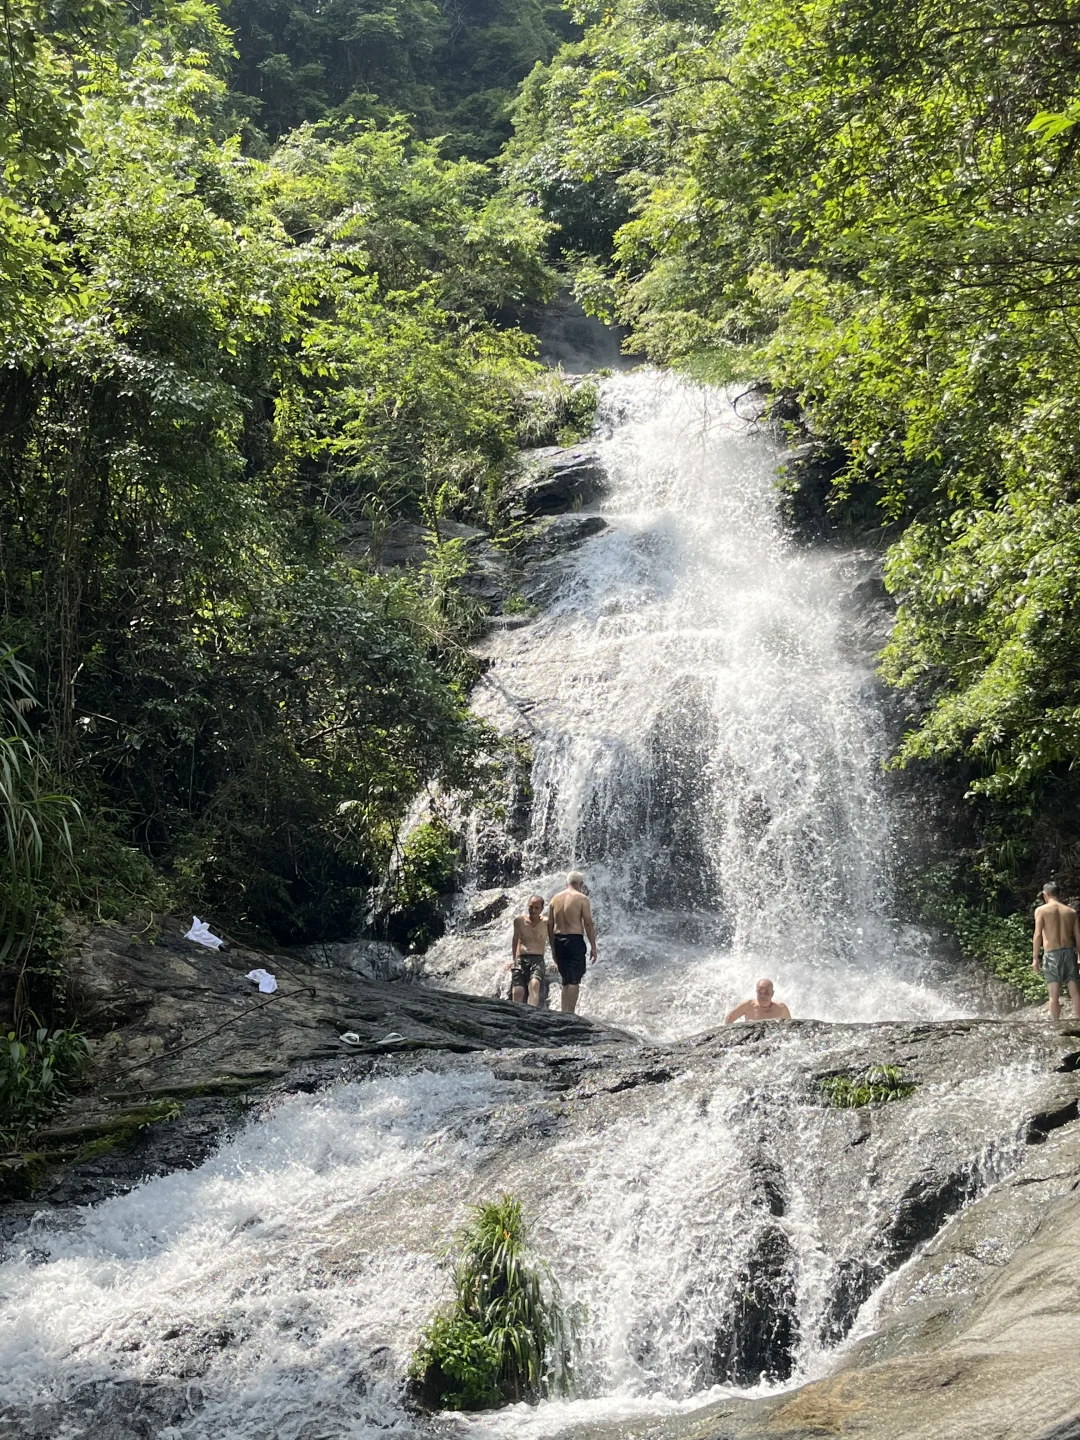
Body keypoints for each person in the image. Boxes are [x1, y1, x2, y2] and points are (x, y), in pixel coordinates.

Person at [547, 870, 597, 1014]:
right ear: (581, 884)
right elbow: (588, 924)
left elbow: (549, 924)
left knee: (565, 980)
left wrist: (552, 947)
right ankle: (570, 1014)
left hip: (558, 940)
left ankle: (564, 1012)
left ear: (567, 883)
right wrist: (593, 947)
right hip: (574, 940)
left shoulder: (555, 899)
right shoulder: (582, 898)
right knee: (574, 979)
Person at [1033, 881, 1080, 1020]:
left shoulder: (1041, 911)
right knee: (1075, 993)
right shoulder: (1071, 912)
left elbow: (1038, 934)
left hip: (1052, 954)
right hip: (1069, 953)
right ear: (1059, 894)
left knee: (1053, 995)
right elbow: (1078, 937)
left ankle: (1055, 1024)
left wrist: (1035, 958)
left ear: (1045, 895)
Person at [510, 894, 548, 1006]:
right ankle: (515, 1012)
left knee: (534, 984)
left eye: (537, 908)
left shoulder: (547, 922)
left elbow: (553, 941)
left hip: (538, 959)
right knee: (517, 991)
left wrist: (557, 961)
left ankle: (531, 1012)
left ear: (542, 909)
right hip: (521, 958)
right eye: (531, 907)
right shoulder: (519, 921)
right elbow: (515, 940)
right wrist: (514, 960)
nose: (533, 910)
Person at [725, 978, 791, 1024]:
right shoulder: (748, 1005)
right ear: (756, 992)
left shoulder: (781, 1008)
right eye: (760, 993)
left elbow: (791, 1027)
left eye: (766, 993)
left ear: (772, 993)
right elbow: (729, 1019)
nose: (763, 996)